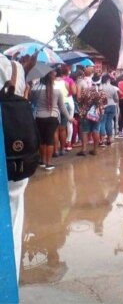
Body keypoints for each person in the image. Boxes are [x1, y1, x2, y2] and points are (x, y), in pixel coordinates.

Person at [0, 53, 36, 282]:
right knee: (12, 217)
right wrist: (24, 69)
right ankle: (7, 280)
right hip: (13, 153)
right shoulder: (15, 68)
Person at [30, 70, 76, 170]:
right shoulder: (57, 90)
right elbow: (62, 107)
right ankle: (49, 163)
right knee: (49, 140)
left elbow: (31, 102)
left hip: (39, 117)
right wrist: (69, 118)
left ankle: (42, 161)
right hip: (53, 117)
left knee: (42, 140)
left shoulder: (35, 89)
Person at [99, 73, 119, 146]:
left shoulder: (100, 88)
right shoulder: (113, 88)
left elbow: (99, 98)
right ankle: (109, 139)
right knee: (109, 122)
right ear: (108, 80)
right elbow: (116, 99)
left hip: (103, 106)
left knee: (102, 123)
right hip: (112, 105)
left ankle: (102, 140)